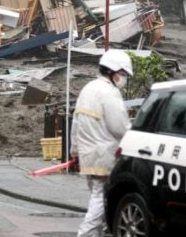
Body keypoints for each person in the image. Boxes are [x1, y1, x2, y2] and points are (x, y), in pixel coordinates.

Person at [70, 49, 133, 237]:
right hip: (104, 155)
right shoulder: (109, 93)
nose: (123, 78)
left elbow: (76, 122)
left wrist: (74, 151)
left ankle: (105, 231)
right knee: (100, 196)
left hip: (88, 155)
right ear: (112, 72)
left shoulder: (88, 89)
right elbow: (120, 127)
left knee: (100, 197)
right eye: (122, 74)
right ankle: (86, 233)